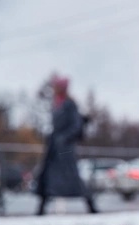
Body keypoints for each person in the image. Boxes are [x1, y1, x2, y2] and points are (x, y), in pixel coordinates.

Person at [35, 75, 97, 215]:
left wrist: (63, 138)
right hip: (54, 148)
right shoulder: (56, 104)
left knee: (71, 176)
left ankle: (90, 203)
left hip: (65, 149)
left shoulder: (69, 104)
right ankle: (41, 208)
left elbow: (76, 125)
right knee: (48, 176)